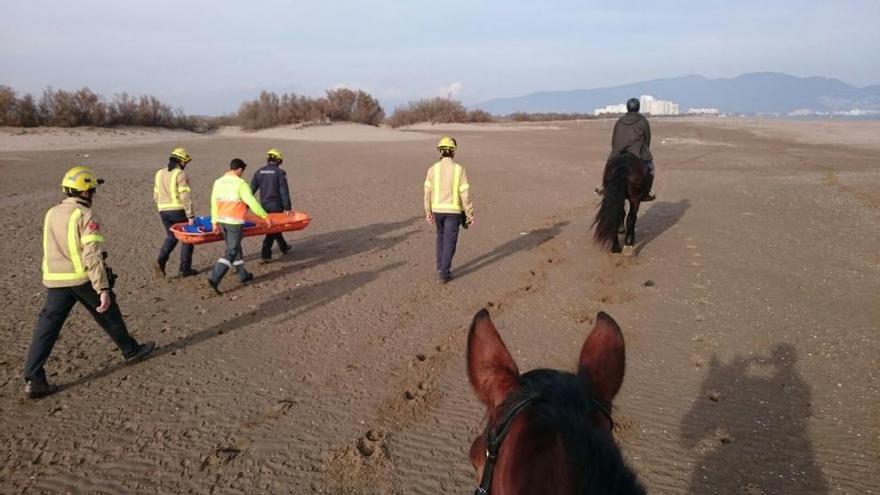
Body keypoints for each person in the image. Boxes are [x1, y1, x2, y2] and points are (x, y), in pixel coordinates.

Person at [24, 167, 155, 399]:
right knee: (109, 312)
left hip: (55, 280)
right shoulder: (85, 215)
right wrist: (103, 288)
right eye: (92, 190)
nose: (93, 195)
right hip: (82, 278)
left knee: (47, 328)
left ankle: (34, 379)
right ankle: (131, 350)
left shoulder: (51, 212)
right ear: (85, 192)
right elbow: (91, 255)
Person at [207, 159, 270, 294]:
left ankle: (242, 274)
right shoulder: (241, 184)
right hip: (234, 222)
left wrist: (214, 222)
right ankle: (214, 277)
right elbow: (251, 202)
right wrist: (265, 216)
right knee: (231, 251)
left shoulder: (218, 182)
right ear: (240, 170)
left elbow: (214, 203)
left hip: (222, 221)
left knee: (235, 247)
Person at [424, 136, 475, 284]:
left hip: (437, 211)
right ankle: (444, 273)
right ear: (453, 152)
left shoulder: (432, 169)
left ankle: (441, 268)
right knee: (450, 242)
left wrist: (428, 211)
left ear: (440, 151)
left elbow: (427, 192)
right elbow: (465, 194)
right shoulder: (460, 170)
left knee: (440, 238)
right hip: (453, 212)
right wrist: (470, 214)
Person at [597, 97, 656, 201]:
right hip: (638, 152)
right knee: (651, 168)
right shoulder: (643, 121)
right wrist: (644, 150)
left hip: (619, 151)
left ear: (627, 107)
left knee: (608, 166)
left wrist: (617, 151)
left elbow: (614, 139)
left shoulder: (620, 121)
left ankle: (604, 187)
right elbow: (647, 139)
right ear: (638, 107)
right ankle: (647, 192)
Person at [154, 147, 198, 278]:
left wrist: (162, 206)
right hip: (178, 211)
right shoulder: (180, 174)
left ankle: (161, 260)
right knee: (187, 238)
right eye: (185, 163)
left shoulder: (159, 173)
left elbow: (156, 195)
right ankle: (185, 269)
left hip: (163, 211)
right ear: (181, 161)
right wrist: (190, 215)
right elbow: (185, 196)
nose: (185, 165)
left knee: (171, 236)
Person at [250, 148, 292, 263]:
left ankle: (284, 246)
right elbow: (284, 191)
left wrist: (245, 205)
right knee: (273, 229)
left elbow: (250, 191)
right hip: (276, 206)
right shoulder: (280, 173)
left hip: (264, 206)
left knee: (275, 227)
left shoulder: (259, 172)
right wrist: (287, 207)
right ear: (278, 160)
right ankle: (265, 254)